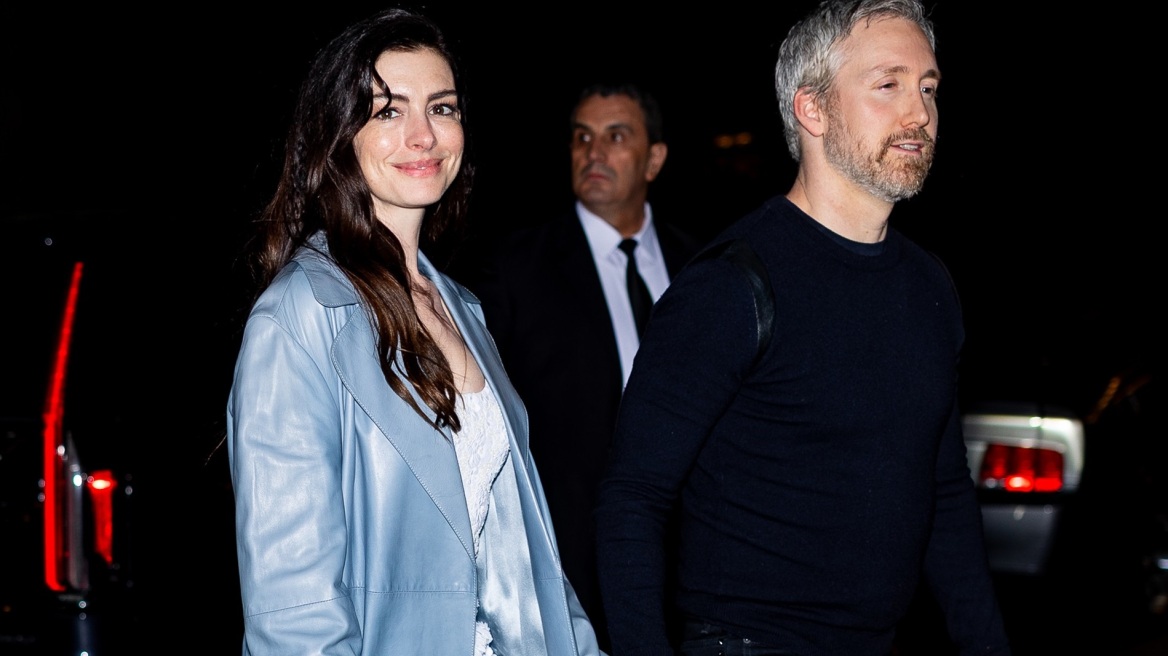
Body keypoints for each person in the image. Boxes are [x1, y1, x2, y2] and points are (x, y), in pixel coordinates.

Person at [594, 1, 1012, 655]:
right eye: (889, 84)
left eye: (929, 88)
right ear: (812, 109)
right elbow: (634, 496)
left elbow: (944, 491)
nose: (920, 113)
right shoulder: (732, 285)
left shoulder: (929, 286)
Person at [225, 8, 603, 655]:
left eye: (442, 108)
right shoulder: (297, 318)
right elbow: (294, 613)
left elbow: (526, 554)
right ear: (339, 134)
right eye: (389, 111)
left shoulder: (463, 308)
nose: (423, 135)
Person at [454, 81, 703, 649]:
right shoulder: (516, 268)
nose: (594, 152)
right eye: (582, 138)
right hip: (571, 563)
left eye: (616, 137)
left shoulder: (702, 267)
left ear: (654, 159)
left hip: (694, 565)